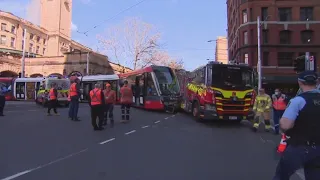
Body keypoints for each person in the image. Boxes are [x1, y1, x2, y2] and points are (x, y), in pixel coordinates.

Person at [273, 71, 320, 180]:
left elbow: (285, 125)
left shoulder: (298, 101)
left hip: (299, 146)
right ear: (316, 82)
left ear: (299, 82)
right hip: (318, 147)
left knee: (281, 176)